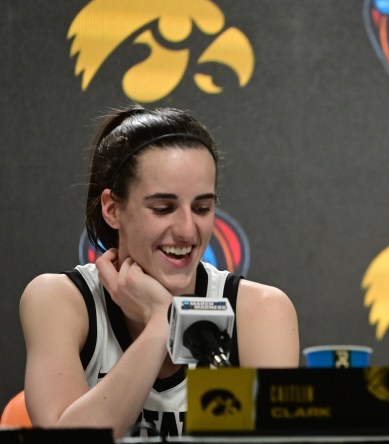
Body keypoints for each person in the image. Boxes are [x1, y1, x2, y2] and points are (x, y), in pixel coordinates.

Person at [20, 105, 300, 439]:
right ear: (112, 209)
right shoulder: (59, 300)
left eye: (201, 208)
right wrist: (160, 323)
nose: (186, 229)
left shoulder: (261, 311)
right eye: (163, 208)